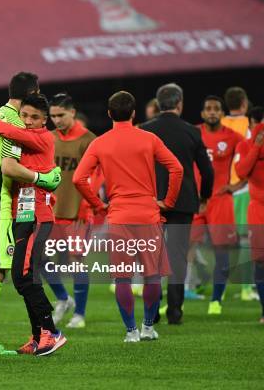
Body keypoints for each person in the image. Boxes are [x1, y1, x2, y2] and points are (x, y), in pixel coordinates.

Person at [0, 72, 61, 355]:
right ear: (34, 92)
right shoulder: (15, 121)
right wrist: (46, 178)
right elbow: (8, 165)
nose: (29, 119)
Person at [74, 90, 183, 342]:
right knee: (152, 275)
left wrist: (98, 205)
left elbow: (79, 178)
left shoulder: (99, 143)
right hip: (148, 214)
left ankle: (131, 332)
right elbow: (176, 168)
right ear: (134, 113)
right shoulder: (149, 139)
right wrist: (168, 202)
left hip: (119, 215)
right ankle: (147, 327)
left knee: (122, 275)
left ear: (110, 114)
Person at [0, 93, 67, 356]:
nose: (28, 121)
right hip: (22, 215)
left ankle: (51, 331)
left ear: (44, 121)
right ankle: (36, 336)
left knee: (22, 276)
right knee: (27, 276)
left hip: (38, 215)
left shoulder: (42, 137)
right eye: (25, 116)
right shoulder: (21, 140)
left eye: (35, 117)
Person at [141, 83, 213, 325]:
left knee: (152, 255)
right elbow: (207, 170)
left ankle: (152, 311)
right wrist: (204, 196)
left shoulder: (145, 130)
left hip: (152, 202)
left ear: (159, 104)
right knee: (178, 256)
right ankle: (175, 311)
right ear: (180, 103)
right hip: (183, 202)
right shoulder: (192, 131)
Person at [189, 96, 244, 315]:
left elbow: (251, 163)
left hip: (220, 200)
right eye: (208, 109)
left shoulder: (234, 138)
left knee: (221, 251)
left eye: (216, 109)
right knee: (185, 248)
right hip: (195, 201)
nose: (212, 112)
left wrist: (238, 185)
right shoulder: (192, 133)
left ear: (222, 113)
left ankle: (216, 300)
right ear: (202, 113)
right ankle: (181, 296)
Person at [47, 92, 96, 328]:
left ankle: (80, 315)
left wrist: (86, 210)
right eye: (53, 116)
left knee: (77, 262)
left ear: (73, 113)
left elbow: (95, 180)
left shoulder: (89, 141)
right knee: (38, 259)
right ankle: (64, 298)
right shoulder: (48, 139)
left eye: (61, 115)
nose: (56, 120)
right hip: (50, 212)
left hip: (78, 213)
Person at [235, 108, 264, 324]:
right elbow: (242, 171)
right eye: (258, 125)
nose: (263, 129)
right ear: (251, 126)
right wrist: (256, 144)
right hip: (259, 212)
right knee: (261, 262)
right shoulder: (244, 146)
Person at [222, 86, 256, 301]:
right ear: (244, 103)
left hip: (222, 191)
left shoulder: (219, 124)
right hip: (243, 188)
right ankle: (245, 289)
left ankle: (219, 289)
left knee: (219, 241)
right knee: (246, 239)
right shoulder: (249, 126)